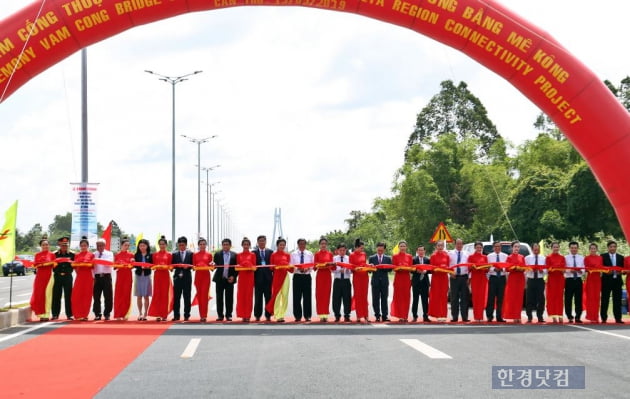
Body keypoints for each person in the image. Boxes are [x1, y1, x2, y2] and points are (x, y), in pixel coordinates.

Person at [266, 237, 293, 322]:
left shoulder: (287, 255)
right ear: (277, 245)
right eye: (280, 245)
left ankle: (282, 314)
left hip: (285, 277)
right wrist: (278, 266)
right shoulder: (273, 255)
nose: (282, 246)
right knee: (277, 296)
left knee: (285, 296)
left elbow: (291, 269)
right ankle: (277, 315)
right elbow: (271, 267)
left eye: (283, 245)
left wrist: (287, 266)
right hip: (277, 276)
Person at [30, 237, 57, 321]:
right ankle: (41, 314)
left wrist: (47, 264)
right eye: (43, 245)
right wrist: (40, 265)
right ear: (40, 246)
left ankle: (47, 314)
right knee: (39, 295)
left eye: (47, 244)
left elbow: (55, 264)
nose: (45, 246)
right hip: (39, 277)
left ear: (49, 245)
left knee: (47, 295)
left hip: (49, 276)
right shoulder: (37, 255)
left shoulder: (52, 255)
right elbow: (35, 265)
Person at [148, 236, 173, 321]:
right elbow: (153, 267)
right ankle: (158, 314)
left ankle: (164, 314)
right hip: (157, 276)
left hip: (165, 276)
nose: (162, 246)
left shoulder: (169, 255)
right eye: (160, 244)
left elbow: (171, 267)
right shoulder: (154, 255)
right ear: (158, 245)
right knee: (157, 294)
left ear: (166, 245)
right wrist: (156, 266)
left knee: (164, 295)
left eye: (163, 244)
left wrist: (166, 267)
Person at [213, 238, 238, 322]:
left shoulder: (235, 255)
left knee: (229, 298)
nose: (225, 246)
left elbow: (236, 268)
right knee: (219, 298)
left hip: (229, 279)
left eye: (227, 244)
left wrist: (234, 276)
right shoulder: (217, 254)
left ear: (230, 246)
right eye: (224, 245)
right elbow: (214, 265)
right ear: (222, 245)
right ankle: (220, 315)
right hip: (220, 279)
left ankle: (229, 315)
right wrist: (212, 265)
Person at [601, 240, 624, 323]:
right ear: (608, 248)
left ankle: (618, 318)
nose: (613, 248)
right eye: (611, 247)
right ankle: (604, 318)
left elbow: (623, 269)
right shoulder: (602, 256)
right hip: (606, 281)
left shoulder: (620, 257)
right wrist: (606, 271)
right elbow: (600, 268)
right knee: (605, 300)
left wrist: (620, 272)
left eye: (614, 247)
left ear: (616, 248)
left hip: (617, 281)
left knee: (617, 300)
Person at [291, 238, 314, 322]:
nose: (302, 245)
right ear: (298, 244)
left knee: (307, 297)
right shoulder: (293, 254)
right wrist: (298, 269)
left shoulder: (310, 254)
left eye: (303, 244)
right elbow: (291, 265)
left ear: (305, 244)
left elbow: (312, 265)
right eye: (300, 244)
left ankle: (307, 315)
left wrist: (307, 268)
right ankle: (297, 316)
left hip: (307, 277)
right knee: (296, 297)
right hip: (297, 276)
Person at [52, 236, 74, 320]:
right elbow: (53, 265)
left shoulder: (72, 254)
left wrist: (66, 271)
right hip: (57, 276)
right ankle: (55, 314)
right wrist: (59, 271)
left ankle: (69, 314)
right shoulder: (55, 254)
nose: (64, 246)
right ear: (59, 245)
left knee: (68, 296)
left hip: (68, 276)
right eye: (62, 245)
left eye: (66, 245)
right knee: (56, 295)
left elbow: (73, 265)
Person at [503, 241, 526, 323]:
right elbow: (506, 268)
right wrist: (513, 268)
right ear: (512, 248)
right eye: (515, 246)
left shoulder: (522, 257)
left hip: (520, 278)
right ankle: (513, 316)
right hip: (512, 278)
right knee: (512, 298)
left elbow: (524, 267)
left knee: (519, 298)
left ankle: (518, 316)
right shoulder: (509, 257)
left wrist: (521, 268)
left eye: (518, 247)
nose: (517, 248)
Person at [72, 237, 95, 321]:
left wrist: (85, 264)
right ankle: (78, 314)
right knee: (77, 295)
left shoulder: (91, 255)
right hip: (79, 277)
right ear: (80, 246)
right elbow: (74, 266)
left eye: (85, 245)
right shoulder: (77, 255)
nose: (83, 247)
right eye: (82, 245)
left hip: (88, 277)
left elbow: (93, 266)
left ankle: (85, 314)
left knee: (87, 296)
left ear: (88, 246)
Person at [369, 242, 392, 322]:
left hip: (384, 281)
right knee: (375, 299)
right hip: (375, 281)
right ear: (376, 249)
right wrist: (370, 267)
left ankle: (385, 316)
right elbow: (369, 271)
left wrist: (384, 267)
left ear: (384, 250)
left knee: (384, 299)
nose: (380, 252)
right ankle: (377, 315)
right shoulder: (372, 258)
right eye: (378, 250)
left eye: (381, 250)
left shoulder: (388, 258)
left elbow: (390, 269)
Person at [171, 236, 193, 321]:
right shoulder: (174, 254)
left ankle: (186, 315)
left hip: (187, 277)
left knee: (187, 297)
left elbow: (193, 265)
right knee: (176, 297)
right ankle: (176, 315)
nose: (181, 247)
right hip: (177, 278)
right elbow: (172, 265)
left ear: (186, 245)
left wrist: (188, 267)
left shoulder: (190, 254)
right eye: (179, 245)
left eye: (183, 245)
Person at [428, 240, 451, 322]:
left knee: (444, 296)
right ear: (436, 246)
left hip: (444, 278)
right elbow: (431, 268)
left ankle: (443, 314)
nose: (440, 247)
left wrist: (445, 269)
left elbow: (448, 266)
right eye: (439, 245)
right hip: (436, 278)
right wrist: (437, 269)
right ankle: (437, 314)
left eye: (442, 245)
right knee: (436, 296)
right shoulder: (433, 256)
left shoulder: (446, 255)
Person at [93, 238, 114, 320]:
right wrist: (93, 277)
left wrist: (98, 260)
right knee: (96, 296)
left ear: (104, 245)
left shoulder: (109, 253)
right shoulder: (93, 254)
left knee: (108, 296)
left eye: (101, 245)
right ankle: (97, 314)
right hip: (97, 277)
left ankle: (107, 313)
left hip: (106, 276)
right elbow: (92, 267)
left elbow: (108, 263)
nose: (99, 247)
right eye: (98, 245)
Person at [486, 240, 508, 322]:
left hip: (502, 278)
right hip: (493, 277)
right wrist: (493, 268)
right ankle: (489, 316)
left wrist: (502, 268)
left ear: (501, 247)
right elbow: (487, 267)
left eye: (499, 246)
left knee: (500, 299)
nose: (497, 248)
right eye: (496, 246)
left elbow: (507, 267)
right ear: (493, 247)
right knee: (491, 298)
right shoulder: (489, 256)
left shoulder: (505, 256)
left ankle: (499, 316)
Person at [113, 237, 134, 320]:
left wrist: (132, 263)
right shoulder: (117, 255)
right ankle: (118, 314)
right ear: (121, 245)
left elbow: (132, 266)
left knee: (126, 295)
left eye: (128, 245)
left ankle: (125, 314)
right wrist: (118, 265)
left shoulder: (131, 255)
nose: (127, 247)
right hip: (120, 277)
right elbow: (114, 267)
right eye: (125, 245)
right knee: (118, 295)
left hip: (128, 277)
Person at [449, 238, 470, 322]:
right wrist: (450, 273)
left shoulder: (467, 254)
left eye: (461, 244)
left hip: (464, 277)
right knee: (454, 298)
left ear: (463, 245)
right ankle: (455, 317)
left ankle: (465, 317)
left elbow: (470, 266)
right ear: (455, 244)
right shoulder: (450, 254)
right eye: (457, 244)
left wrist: (469, 277)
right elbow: (448, 265)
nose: (459, 245)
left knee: (465, 298)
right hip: (454, 277)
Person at [524, 242, 546, 323]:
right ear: (532, 248)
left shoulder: (543, 258)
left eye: (537, 247)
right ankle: (529, 316)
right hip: (531, 279)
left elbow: (546, 270)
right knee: (529, 298)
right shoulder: (527, 258)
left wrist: (542, 270)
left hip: (540, 280)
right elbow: (524, 269)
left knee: (541, 299)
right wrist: (530, 269)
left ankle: (540, 316)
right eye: (534, 247)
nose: (536, 249)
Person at [193, 237, 213, 322]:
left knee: (204, 296)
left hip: (206, 277)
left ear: (206, 245)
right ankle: (201, 314)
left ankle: (204, 315)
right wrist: (198, 266)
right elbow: (193, 268)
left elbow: (212, 268)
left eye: (204, 244)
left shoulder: (209, 255)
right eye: (200, 244)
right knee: (200, 295)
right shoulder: (195, 255)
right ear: (198, 245)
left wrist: (211, 265)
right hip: (198, 276)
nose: (202, 245)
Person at [314, 237, 334, 322]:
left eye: (325, 244)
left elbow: (333, 267)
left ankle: (325, 314)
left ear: (327, 245)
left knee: (326, 294)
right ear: (319, 245)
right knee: (319, 295)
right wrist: (320, 265)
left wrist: (330, 265)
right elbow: (314, 267)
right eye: (322, 244)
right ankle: (321, 314)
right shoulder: (317, 254)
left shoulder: (330, 254)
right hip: (320, 276)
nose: (323, 245)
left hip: (327, 276)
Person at [236, 237, 256, 322]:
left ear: (250, 245)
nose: (246, 246)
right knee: (241, 296)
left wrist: (249, 265)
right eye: (244, 244)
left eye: (247, 244)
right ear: (242, 245)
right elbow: (237, 266)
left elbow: (255, 267)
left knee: (248, 296)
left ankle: (248, 315)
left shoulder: (252, 255)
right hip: (242, 278)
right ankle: (242, 314)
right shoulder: (238, 255)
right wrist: (240, 266)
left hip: (249, 277)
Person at [253, 235, 273, 322]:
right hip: (257, 279)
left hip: (268, 279)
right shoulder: (253, 253)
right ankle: (257, 315)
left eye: (263, 241)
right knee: (258, 298)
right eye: (260, 241)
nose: (262, 242)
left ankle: (268, 315)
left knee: (268, 298)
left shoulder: (270, 252)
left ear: (266, 242)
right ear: (257, 242)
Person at [468, 241, 488, 323]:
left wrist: (484, 268)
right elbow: (469, 268)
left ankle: (481, 316)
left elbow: (487, 269)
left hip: (483, 279)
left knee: (482, 298)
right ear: (475, 248)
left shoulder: (485, 257)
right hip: (475, 279)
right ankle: (476, 316)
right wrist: (473, 267)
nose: (479, 249)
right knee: (475, 297)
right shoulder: (471, 257)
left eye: (480, 247)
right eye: (477, 247)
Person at [546, 242, 566, 324]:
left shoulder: (562, 257)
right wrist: (555, 267)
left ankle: (560, 315)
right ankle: (553, 316)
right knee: (552, 297)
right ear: (552, 248)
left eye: (557, 247)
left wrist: (556, 267)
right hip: (552, 279)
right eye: (554, 247)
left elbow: (564, 269)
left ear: (559, 248)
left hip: (560, 279)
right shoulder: (548, 257)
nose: (556, 248)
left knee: (560, 297)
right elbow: (547, 269)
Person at [565, 241, 585, 323]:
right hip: (569, 280)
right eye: (572, 248)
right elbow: (564, 268)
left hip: (578, 280)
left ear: (578, 248)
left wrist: (581, 271)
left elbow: (584, 268)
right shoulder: (565, 257)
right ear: (569, 248)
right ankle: (569, 316)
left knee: (578, 299)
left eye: (575, 248)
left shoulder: (581, 257)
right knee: (568, 299)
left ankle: (578, 316)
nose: (574, 249)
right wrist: (570, 270)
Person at [350, 238, 370, 323]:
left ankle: (366, 315)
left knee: (364, 296)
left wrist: (369, 265)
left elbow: (364, 263)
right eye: (361, 248)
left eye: (363, 248)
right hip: (357, 277)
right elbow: (351, 267)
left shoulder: (364, 254)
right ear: (356, 247)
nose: (362, 250)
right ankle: (359, 315)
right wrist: (356, 268)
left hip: (364, 277)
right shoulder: (352, 255)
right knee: (358, 295)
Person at [332, 243, 352, 322]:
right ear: (337, 251)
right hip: (337, 280)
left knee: (347, 298)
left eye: (344, 250)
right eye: (340, 250)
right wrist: (338, 270)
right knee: (336, 298)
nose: (342, 252)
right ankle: (337, 315)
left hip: (346, 280)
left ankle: (347, 315)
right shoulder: (334, 259)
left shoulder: (349, 258)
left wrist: (347, 270)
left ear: (346, 250)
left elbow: (351, 271)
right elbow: (332, 270)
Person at [584, 243, 603, 323]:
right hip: (590, 279)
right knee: (590, 298)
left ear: (596, 249)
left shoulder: (600, 258)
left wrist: (597, 268)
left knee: (597, 298)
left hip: (598, 279)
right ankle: (590, 316)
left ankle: (596, 316)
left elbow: (601, 267)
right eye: (591, 248)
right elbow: (585, 268)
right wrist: (593, 268)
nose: (593, 250)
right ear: (589, 249)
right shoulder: (586, 258)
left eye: (594, 248)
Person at [134, 238, 152, 321]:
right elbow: (134, 265)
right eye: (140, 246)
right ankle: (140, 313)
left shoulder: (150, 255)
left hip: (147, 276)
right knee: (139, 296)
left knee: (146, 296)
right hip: (138, 276)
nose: (142, 247)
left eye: (144, 245)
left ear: (147, 246)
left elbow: (153, 265)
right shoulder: (136, 255)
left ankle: (145, 313)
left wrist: (148, 266)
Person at [411, 245, 431, 323]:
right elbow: (411, 269)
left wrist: (426, 271)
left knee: (425, 300)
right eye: (419, 250)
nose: (421, 252)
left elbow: (431, 269)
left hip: (425, 282)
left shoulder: (427, 260)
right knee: (415, 300)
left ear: (424, 251)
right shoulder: (414, 259)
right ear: (417, 251)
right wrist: (416, 271)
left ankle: (425, 316)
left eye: (422, 250)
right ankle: (415, 316)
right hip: (416, 282)